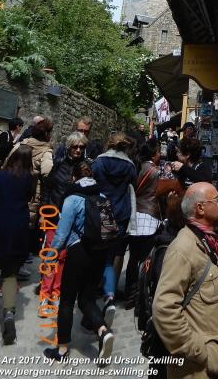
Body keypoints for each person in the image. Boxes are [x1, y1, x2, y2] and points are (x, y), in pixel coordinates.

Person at [152, 182, 218, 379]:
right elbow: (164, 309)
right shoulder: (182, 249)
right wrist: (197, 351)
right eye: (217, 199)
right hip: (199, 369)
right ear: (200, 208)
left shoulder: (210, 241)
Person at [43, 160, 114, 363]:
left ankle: (63, 349)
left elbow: (62, 233)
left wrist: (51, 255)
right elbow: (109, 230)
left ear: (74, 177)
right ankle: (102, 331)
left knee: (67, 300)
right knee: (87, 299)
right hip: (99, 253)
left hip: (78, 252)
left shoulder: (72, 199)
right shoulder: (102, 196)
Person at [0, 144, 33, 345]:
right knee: (9, 276)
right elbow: (29, 199)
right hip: (18, 233)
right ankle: (8, 315)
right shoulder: (29, 180)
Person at [40, 131, 91, 305]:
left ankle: (56, 291)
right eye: (75, 146)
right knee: (51, 253)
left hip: (74, 222)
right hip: (54, 217)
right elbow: (47, 188)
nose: (78, 150)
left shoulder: (86, 168)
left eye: (81, 147)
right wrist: (43, 212)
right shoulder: (59, 165)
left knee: (63, 258)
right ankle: (45, 292)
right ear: (69, 147)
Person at [92, 132, 137, 323]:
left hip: (102, 209)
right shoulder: (129, 165)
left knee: (97, 253)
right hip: (121, 212)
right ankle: (109, 295)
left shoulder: (99, 162)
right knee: (112, 256)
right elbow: (133, 184)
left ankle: (93, 289)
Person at [6, 116, 54, 253]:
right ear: (47, 134)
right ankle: (17, 261)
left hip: (12, 186)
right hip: (32, 192)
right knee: (25, 227)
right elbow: (47, 173)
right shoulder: (46, 152)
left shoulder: (21, 144)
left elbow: (6, 163)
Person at [125, 138, 162, 308]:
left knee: (133, 257)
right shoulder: (156, 172)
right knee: (146, 259)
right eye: (159, 152)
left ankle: (129, 294)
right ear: (154, 155)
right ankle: (141, 295)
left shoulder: (135, 167)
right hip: (150, 217)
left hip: (135, 216)